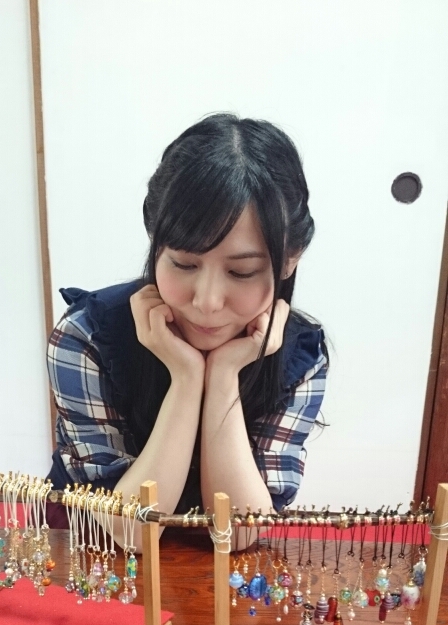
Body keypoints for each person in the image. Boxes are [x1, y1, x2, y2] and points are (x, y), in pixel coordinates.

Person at [46, 114, 327, 543]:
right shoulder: (86, 337)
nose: (207, 301)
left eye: (242, 271)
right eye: (183, 264)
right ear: (155, 241)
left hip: (222, 568)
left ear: (290, 259)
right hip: (91, 556)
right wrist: (186, 377)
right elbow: (129, 532)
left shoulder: (301, 356)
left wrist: (224, 375)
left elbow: (239, 535)